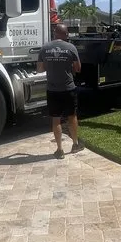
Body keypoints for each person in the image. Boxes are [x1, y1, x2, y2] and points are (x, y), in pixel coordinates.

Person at [37, 23, 84, 159]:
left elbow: (39, 69)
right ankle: (75, 144)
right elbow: (78, 68)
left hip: (52, 89)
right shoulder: (71, 48)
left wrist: (51, 66)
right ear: (65, 34)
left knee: (56, 119)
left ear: (55, 33)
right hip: (69, 88)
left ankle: (59, 150)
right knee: (72, 117)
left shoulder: (45, 48)